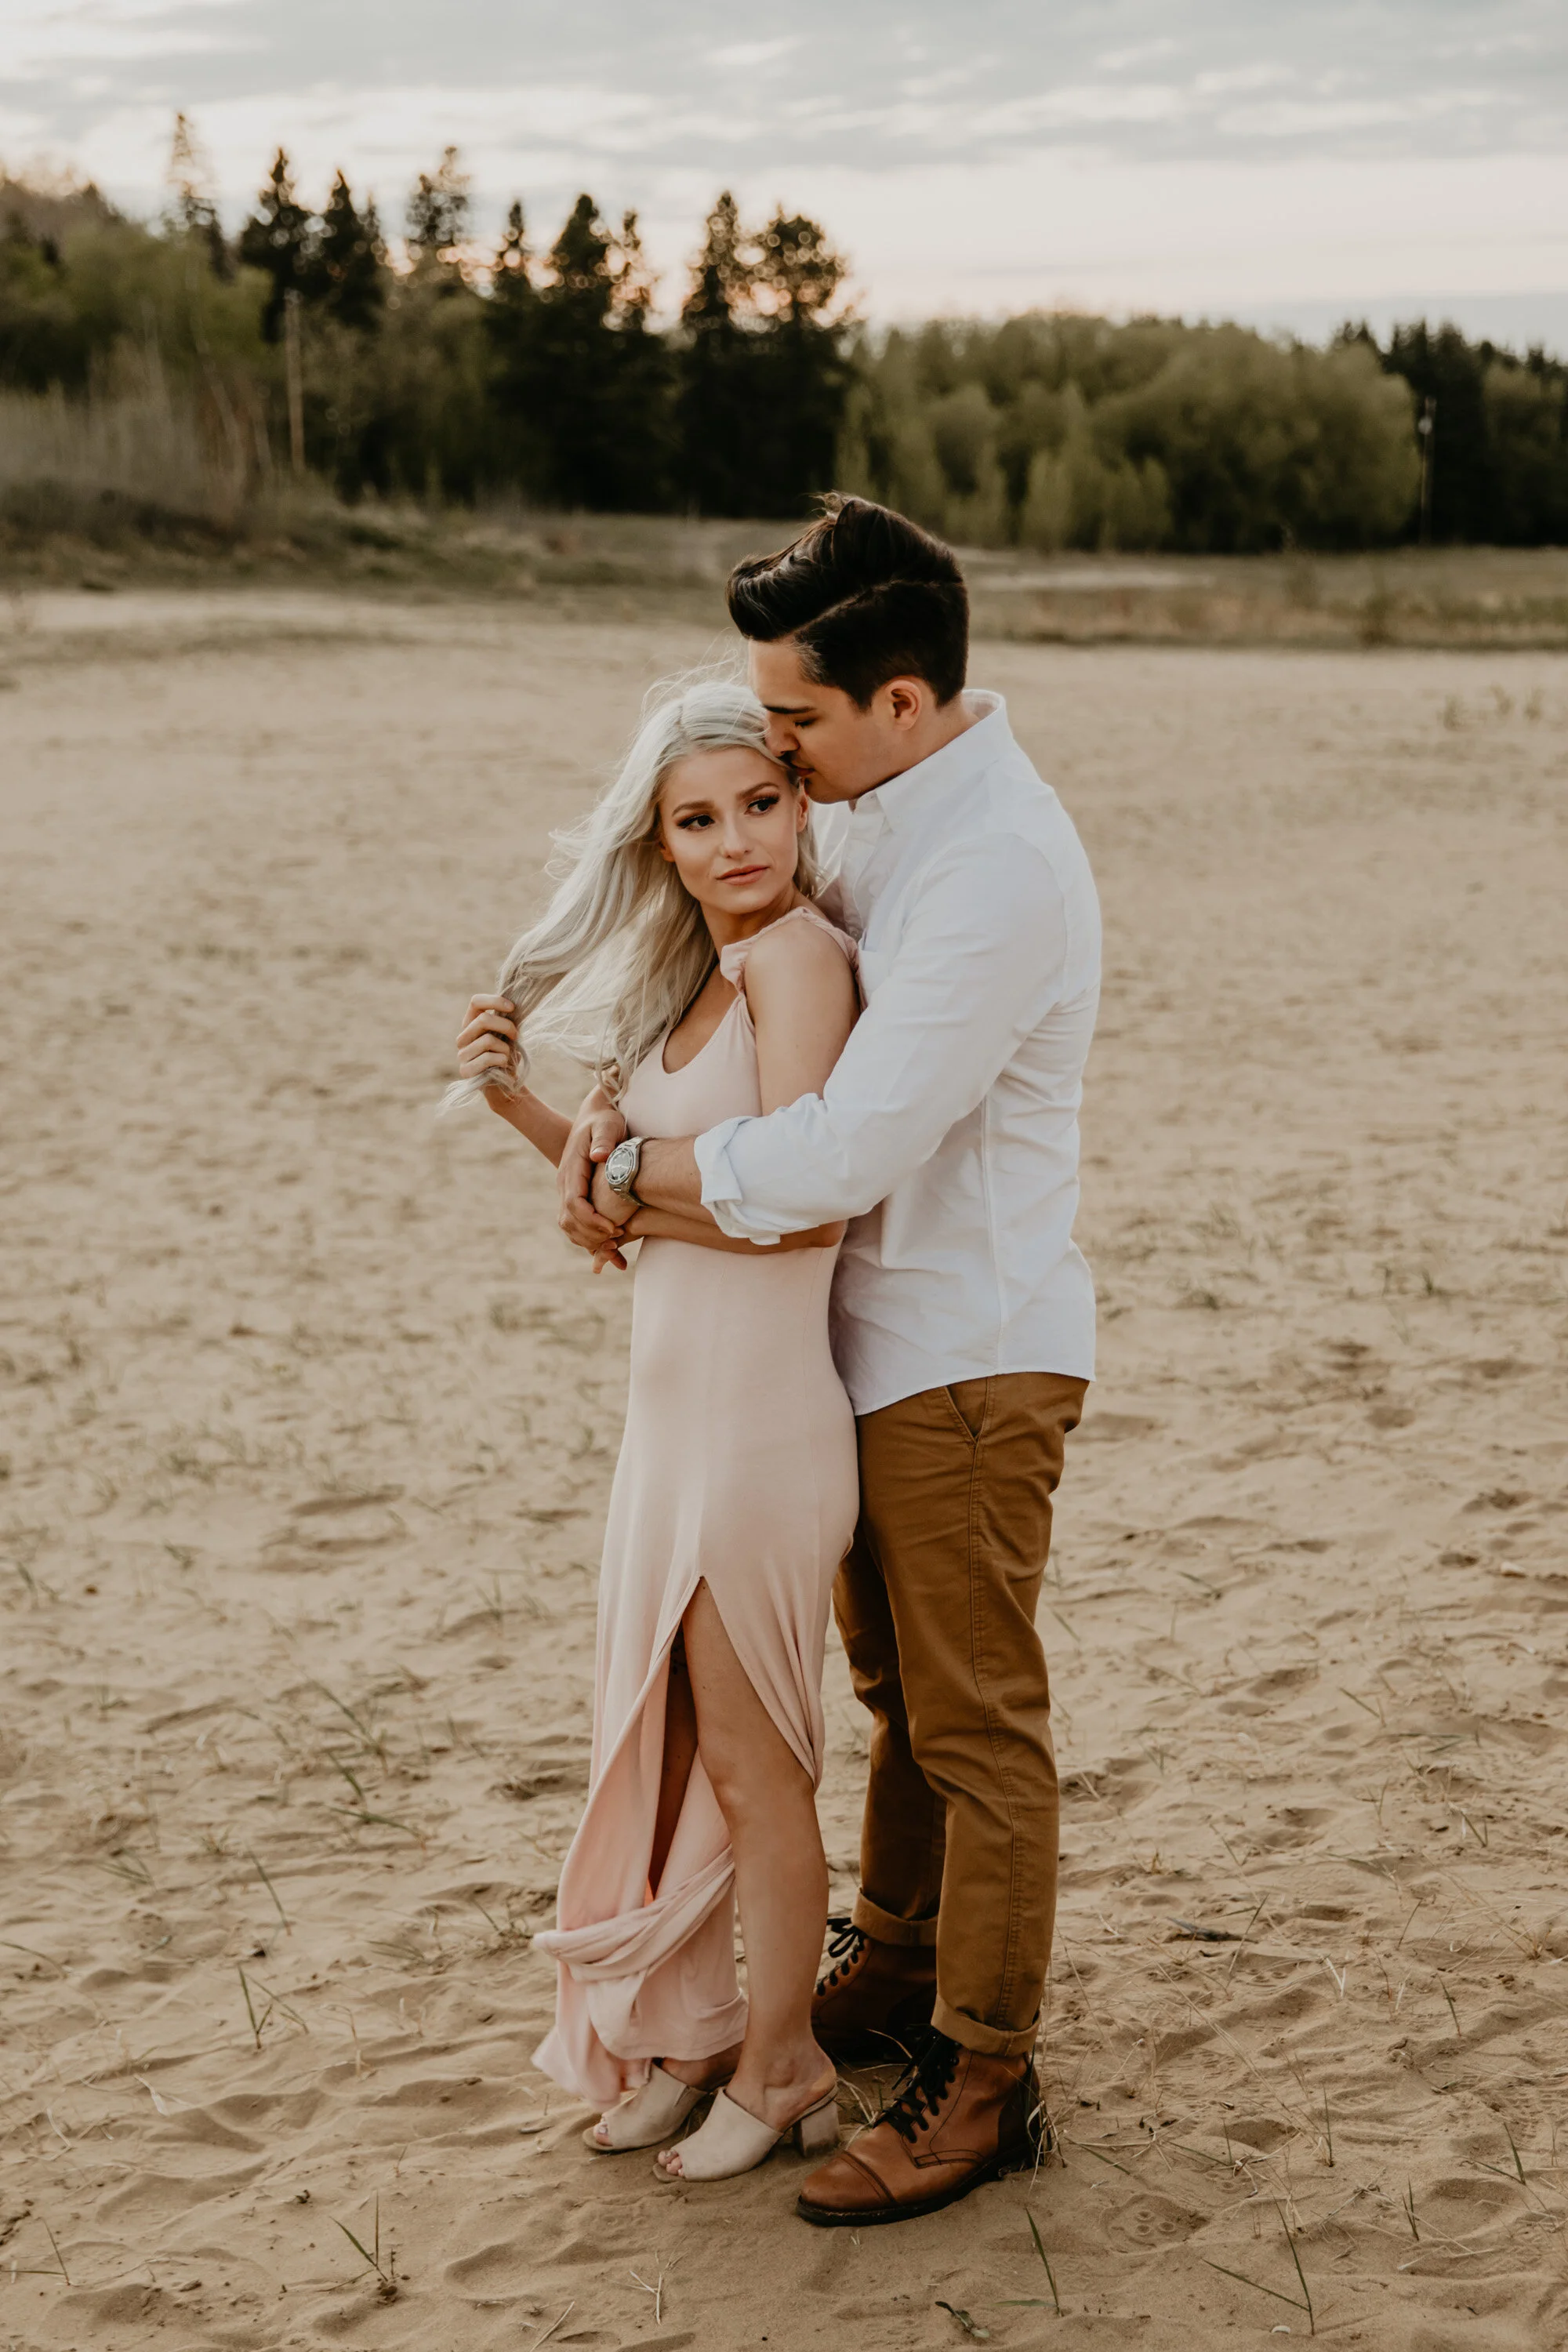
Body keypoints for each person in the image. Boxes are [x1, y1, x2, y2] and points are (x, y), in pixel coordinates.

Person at [557, 496, 1102, 2227]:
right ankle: (898, 1966)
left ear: (902, 700)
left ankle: (984, 2076)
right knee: (896, 1706)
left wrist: (637, 1182)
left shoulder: (992, 866)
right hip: (852, 1355)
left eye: (790, 722)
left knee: (973, 1720)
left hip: (965, 1347)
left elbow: (846, 1150)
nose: (766, 750)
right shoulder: (872, 817)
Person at [449, 676, 860, 2182]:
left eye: (761, 803)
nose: (737, 838)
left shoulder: (800, 962)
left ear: (803, 808)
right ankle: (691, 2036)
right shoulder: (697, 986)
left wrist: (630, 1175)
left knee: (758, 1771)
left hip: (761, 1432)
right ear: (664, 847)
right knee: (679, 1751)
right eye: (701, 819)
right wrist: (522, 1108)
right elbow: (637, 1222)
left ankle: (784, 2057)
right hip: (666, 1433)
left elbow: (795, 1200)